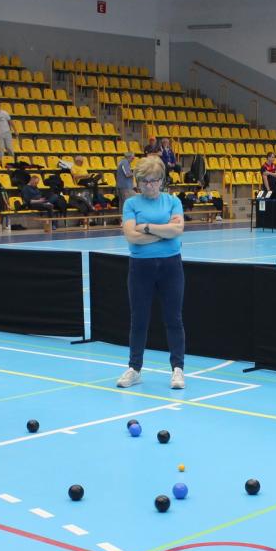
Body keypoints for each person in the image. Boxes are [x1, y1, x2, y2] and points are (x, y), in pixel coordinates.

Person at [117, 155, 186, 391]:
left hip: (170, 267)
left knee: (173, 319)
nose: (149, 185)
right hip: (140, 268)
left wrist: (146, 227)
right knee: (139, 320)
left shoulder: (173, 202)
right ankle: (134, 369)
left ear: (161, 180)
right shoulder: (131, 204)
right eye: (144, 181)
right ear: (138, 182)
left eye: (154, 180)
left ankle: (178, 369)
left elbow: (178, 229)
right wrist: (164, 232)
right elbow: (131, 236)